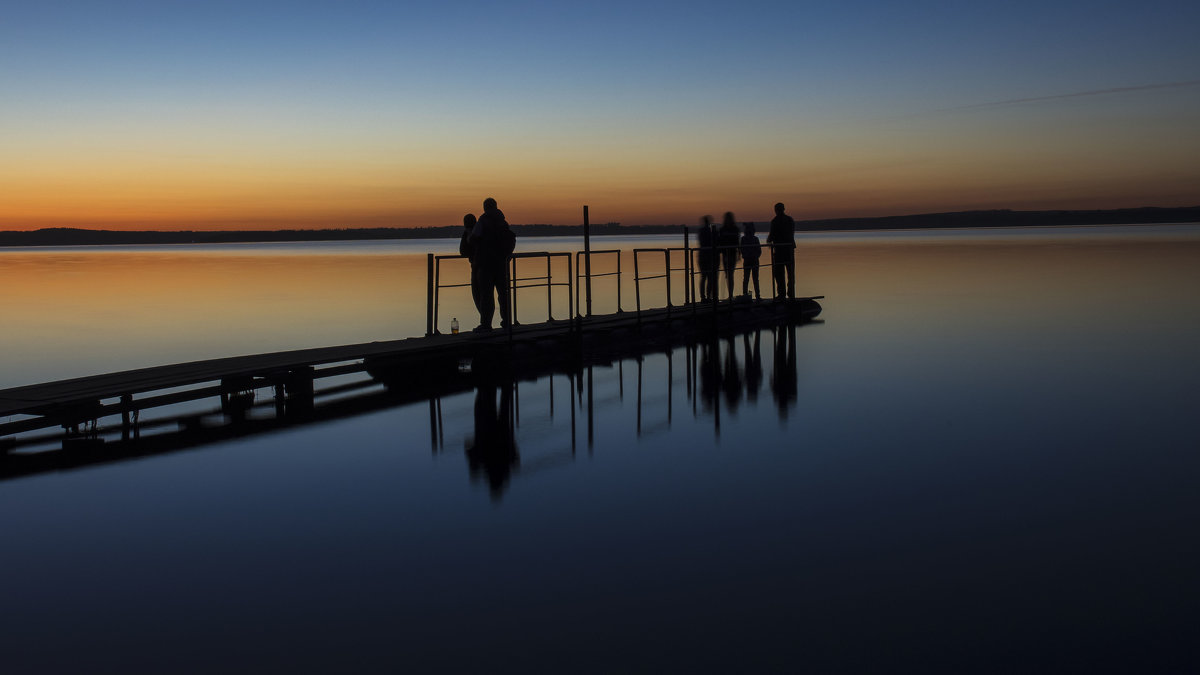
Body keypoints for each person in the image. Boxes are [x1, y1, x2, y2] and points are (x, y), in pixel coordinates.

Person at [469, 197, 516, 331]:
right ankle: (507, 321)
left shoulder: (483, 221)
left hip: (486, 264)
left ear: (485, 207)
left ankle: (486, 324)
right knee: (503, 294)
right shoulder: (503, 222)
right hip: (501, 263)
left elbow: (473, 239)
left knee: (486, 295)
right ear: (496, 206)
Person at [767, 202, 796, 299]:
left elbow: (771, 237)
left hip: (782, 250)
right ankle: (789, 293)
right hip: (786, 250)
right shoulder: (789, 220)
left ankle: (783, 293)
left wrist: (769, 240)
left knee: (781, 274)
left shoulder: (775, 221)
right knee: (788, 273)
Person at [459, 213, 481, 316]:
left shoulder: (469, 233)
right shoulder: (481, 230)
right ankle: (487, 321)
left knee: (477, 294)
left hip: (477, 265)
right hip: (491, 265)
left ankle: (485, 321)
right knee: (486, 295)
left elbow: (463, 251)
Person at [717, 212, 740, 300]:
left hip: (732, 253)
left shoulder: (735, 229)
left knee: (730, 274)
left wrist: (739, 254)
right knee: (728, 274)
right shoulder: (722, 229)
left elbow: (737, 242)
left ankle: (730, 294)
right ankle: (730, 294)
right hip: (725, 254)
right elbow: (720, 241)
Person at [696, 216, 716, 302]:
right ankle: (707, 297)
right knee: (708, 277)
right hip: (707, 255)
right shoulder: (710, 231)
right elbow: (711, 242)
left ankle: (704, 297)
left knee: (704, 277)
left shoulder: (702, 231)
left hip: (703, 255)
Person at [740, 221, 762, 299]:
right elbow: (742, 249)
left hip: (752, 260)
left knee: (749, 278)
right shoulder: (752, 239)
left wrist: (754, 255)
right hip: (750, 260)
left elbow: (759, 251)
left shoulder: (750, 239)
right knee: (750, 278)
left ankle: (752, 295)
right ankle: (755, 295)